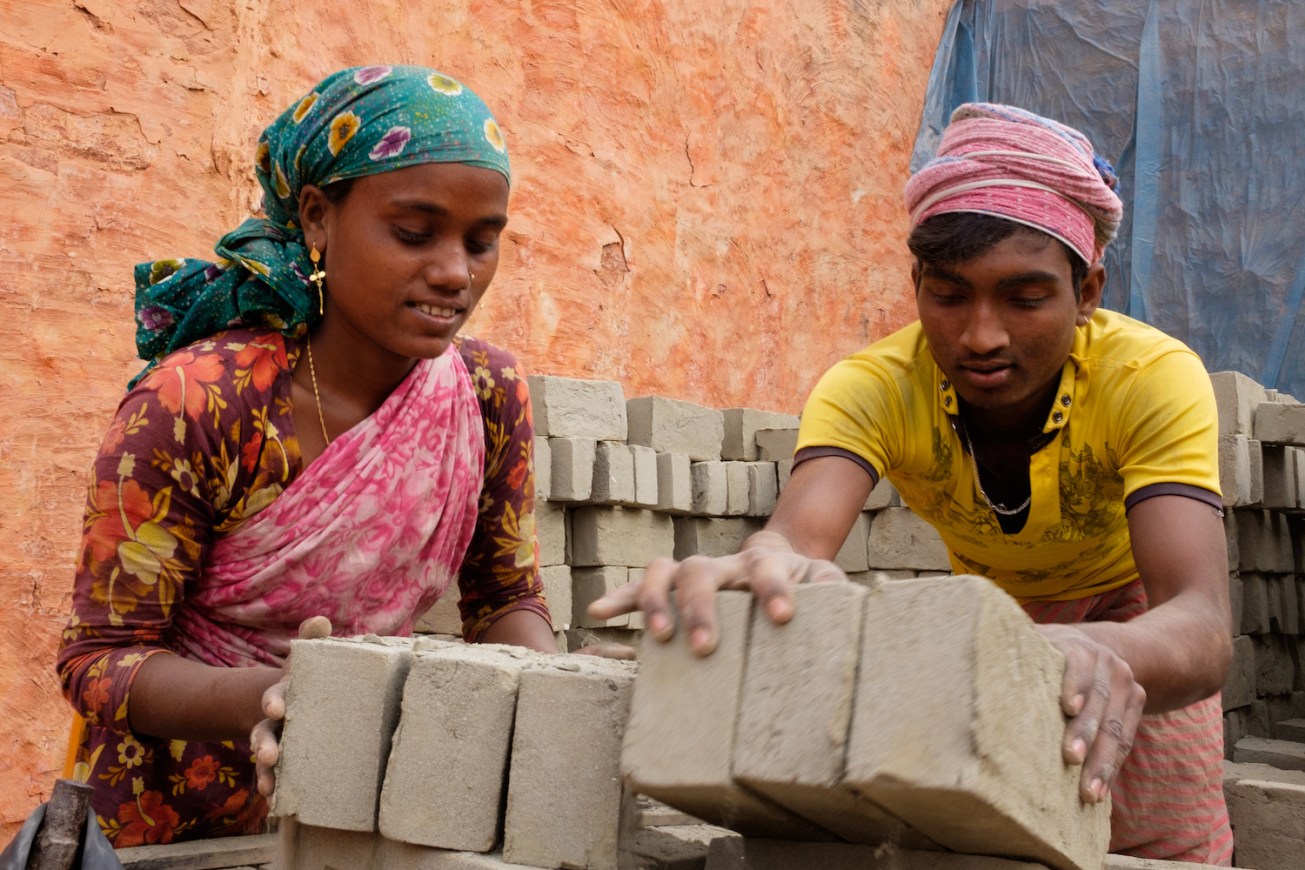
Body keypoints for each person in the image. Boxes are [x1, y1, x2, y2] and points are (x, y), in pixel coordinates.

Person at [592, 103, 1233, 864]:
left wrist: (1098, 647)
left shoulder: (1150, 379)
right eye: (948, 294)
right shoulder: (872, 386)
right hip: (982, 612)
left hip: (1128, 617)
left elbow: (1197, 620)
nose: (981, 334)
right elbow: (797, 535)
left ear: (1087, 290)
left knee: (1163, 842)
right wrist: (770, 563)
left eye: (1024, 298)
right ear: (915, 281)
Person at [56, 64, 558, 848]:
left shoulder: (487, 395)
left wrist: (556, 701)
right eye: (414, 233)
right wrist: (284, 697)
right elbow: (98, 660)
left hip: (367, 822)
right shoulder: (200, 403)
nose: (456, 273)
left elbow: (504, 600)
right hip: (168, 830)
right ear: (319, 217)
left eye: (482, 242)